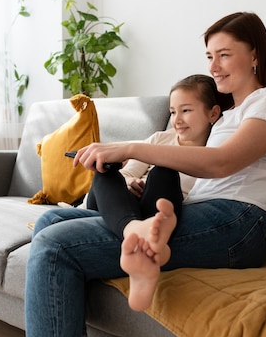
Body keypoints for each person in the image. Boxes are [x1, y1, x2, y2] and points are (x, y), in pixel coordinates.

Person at [25, 11, 266, 337]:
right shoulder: (225, 118)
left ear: (255, 55)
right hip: (202, 213)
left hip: (242, 223)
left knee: (55, 247)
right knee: (49, 222)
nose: (214, 66)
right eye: (209, 56)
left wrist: (133, 147)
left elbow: (222, 162)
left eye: (224, 54)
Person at [33, 74, 231, 241]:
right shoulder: (160, 138)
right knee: (107, 172)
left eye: (186, 110)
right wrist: (128, 182)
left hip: (155, 212)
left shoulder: (215, 153)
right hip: (121, 206)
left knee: (164, 172)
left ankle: (142, 235)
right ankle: (130, 229)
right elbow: (126, 171)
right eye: (172, 112)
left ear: (213, 113)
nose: (177, 120)